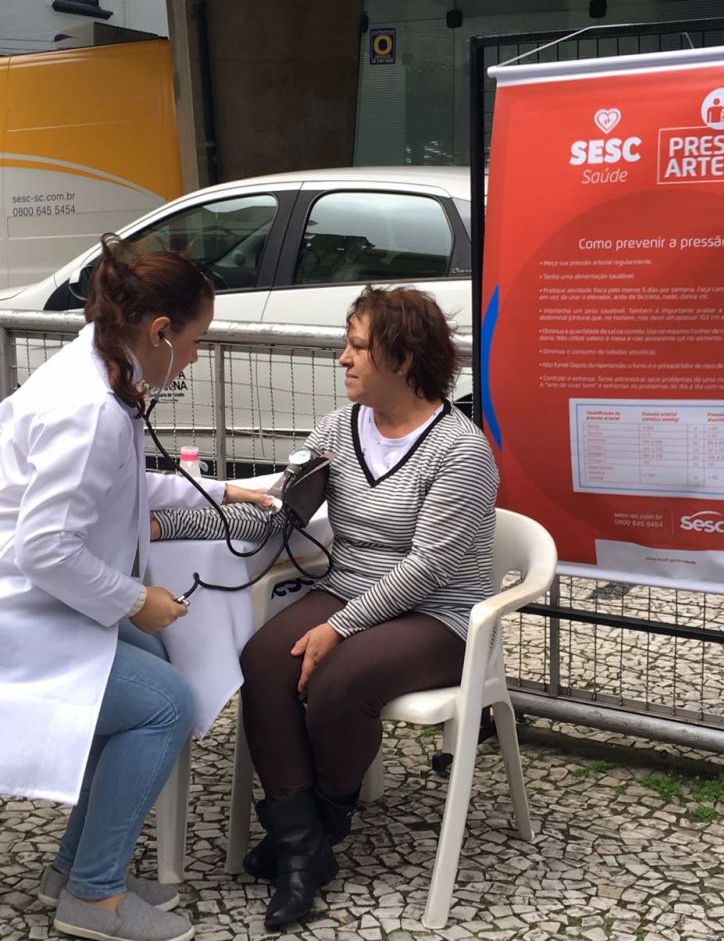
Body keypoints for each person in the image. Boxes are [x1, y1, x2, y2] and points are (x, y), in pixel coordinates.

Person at [151, 286, 499, 931]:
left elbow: (431, 566)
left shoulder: (461, 449)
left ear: (403, 358)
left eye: (358, 347)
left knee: (340, 680)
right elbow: (273, 521)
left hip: (439, 615)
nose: (343, 358)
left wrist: (337, 628)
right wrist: (162, 524)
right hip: (349, 590)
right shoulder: (339, 429)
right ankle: (302, 844)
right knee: (264, 659)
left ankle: (315, 829)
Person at [0, 235, 270, 941]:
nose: (197, 357)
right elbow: (43, 548)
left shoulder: (100, 371)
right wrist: (135, 600)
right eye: (197, 341)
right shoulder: (88, 407)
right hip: (21, 610)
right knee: (165, 705)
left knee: (150, 672)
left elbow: (120, 485)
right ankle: (94, 898)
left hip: (48, 597)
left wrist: (223, 489)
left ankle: (73, 870)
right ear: (160, 332)